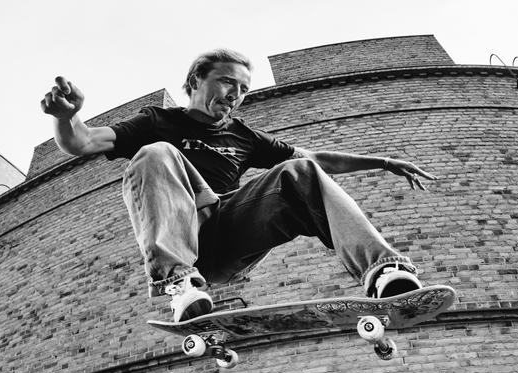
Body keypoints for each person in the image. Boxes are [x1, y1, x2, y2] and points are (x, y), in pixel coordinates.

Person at [40, 48, 435, 323]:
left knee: (302, 172)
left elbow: (317, 159)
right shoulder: (157, 121)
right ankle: (177, 283)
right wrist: (65, 117)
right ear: (197, 79)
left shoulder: (245, 136)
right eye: (227, 83)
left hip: (228, 233)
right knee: (156, 152)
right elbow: (83, 142)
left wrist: (382, 162)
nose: (234, 96)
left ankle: (384, 272)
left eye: (243, 89)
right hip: (182, 232)